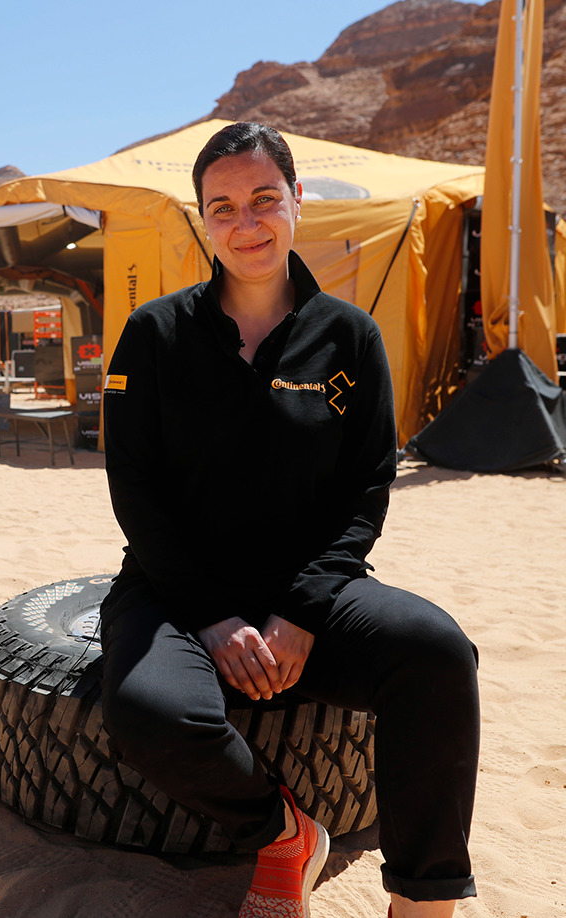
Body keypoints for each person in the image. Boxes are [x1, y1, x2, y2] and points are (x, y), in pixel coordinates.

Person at [98, 122, 479, 918]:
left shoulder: (350, 337)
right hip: (175, 590)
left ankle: (424, 902)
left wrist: (302, 612)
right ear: (204, 221)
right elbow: (134, 490)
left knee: (439, 654)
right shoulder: (153, 336)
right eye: (224, 207)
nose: (247, 224)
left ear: (297, 200)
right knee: (148, 714)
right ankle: (285, 832)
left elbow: (367, 488)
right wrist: (208, 616)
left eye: (265, 199)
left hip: (310, 586)